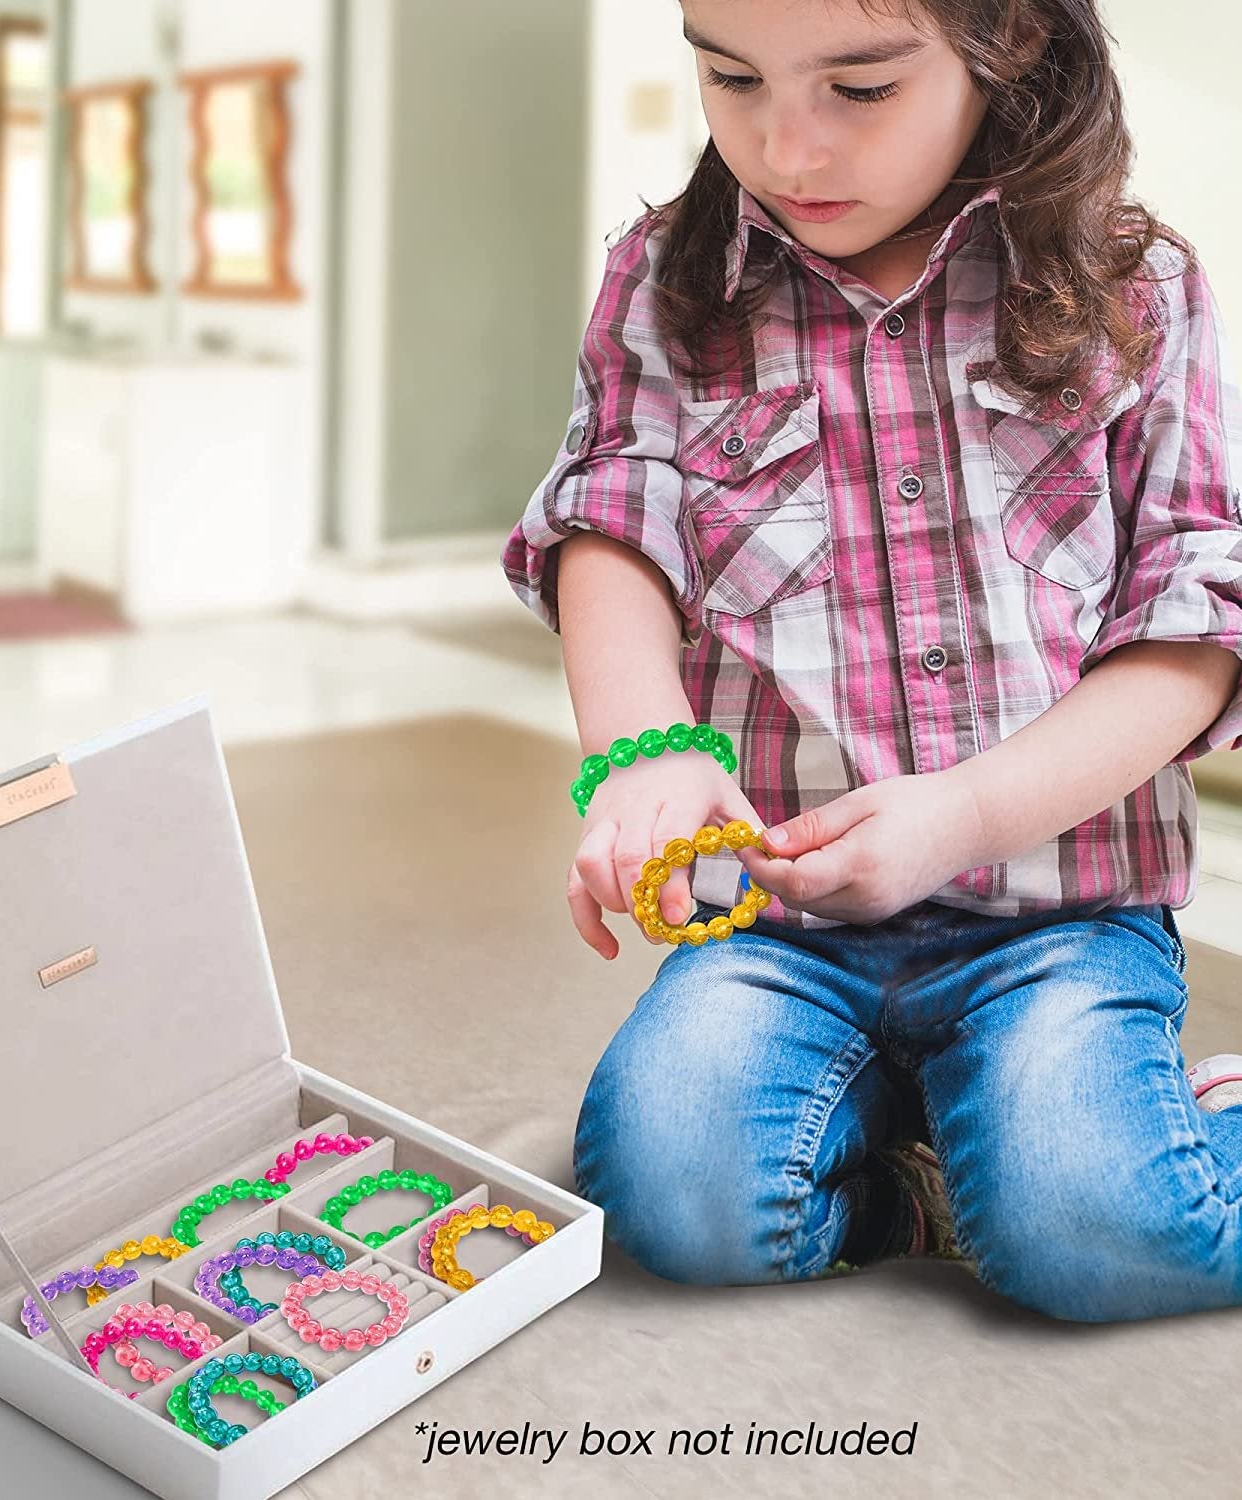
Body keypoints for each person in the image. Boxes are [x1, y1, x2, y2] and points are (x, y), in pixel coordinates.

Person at [501, 0, 1242, 1322]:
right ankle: (925, 1178)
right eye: (730, 78)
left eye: (858, 87)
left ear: (1003, 39)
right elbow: (610, 522)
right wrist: (650, 747)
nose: (786, 148)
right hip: (786, 926)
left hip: (1057, 919)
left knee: (1092, 1230)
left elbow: (1196, 634)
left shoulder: (1143, 289)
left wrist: (963, 814)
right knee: (668, 1192)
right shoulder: (667, 279)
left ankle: (1169, 1126)